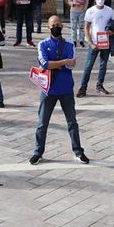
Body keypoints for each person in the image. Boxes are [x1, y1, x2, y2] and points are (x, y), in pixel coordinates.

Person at [30, 16, 89, 166]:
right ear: (48, 27)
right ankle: (38, 152)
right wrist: (62, 62)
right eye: (53, 25)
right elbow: (45, 63)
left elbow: (72, 64)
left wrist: (54, 64)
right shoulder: (43, 44)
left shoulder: (69, 43)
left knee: (72, 122)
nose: (56, 27)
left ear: (62, 26)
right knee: (42, 122)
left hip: (66, 89)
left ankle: (78, 151)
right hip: (49, 89)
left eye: (58, 25)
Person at [78, 0, 114, 95]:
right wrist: (90, 43)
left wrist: (112, 31)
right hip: (94, 43)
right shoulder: (90, 11)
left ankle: (99, 86)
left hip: (105, 43)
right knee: (88, 66)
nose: (100, 0)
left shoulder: (109, 10)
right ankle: (83, 88)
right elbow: (86, 28)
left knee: (103, 65)